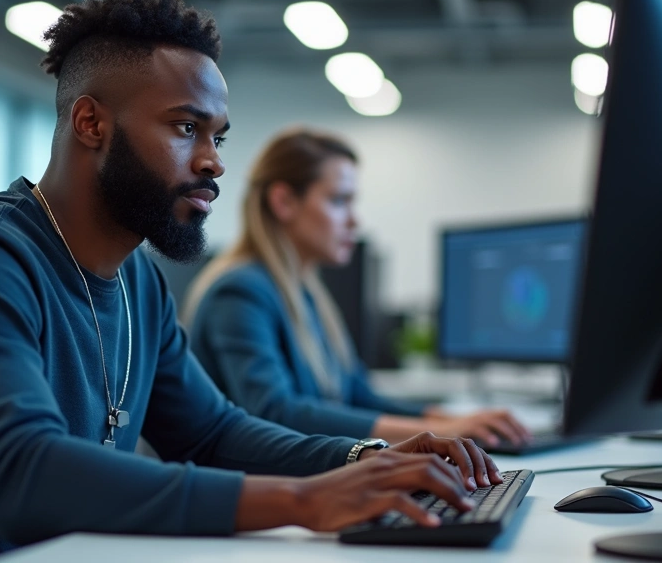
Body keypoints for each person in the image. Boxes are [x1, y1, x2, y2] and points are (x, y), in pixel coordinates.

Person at [0, 0, 505, 562]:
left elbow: (211, 431)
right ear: (91, 123)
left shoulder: (137, 283)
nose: (214, 161)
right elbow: (22, 474)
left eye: (218, 136)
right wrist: (304, 500)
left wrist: (362, 460)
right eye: (186, 127)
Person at [183, 129, 531, 446]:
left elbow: (357, 394)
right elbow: (276, 411)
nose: (354, 220)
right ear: (284, 202)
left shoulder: (302, 293)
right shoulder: (241, 291)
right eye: (339, 201)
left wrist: (449, 421)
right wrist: (438, 433)